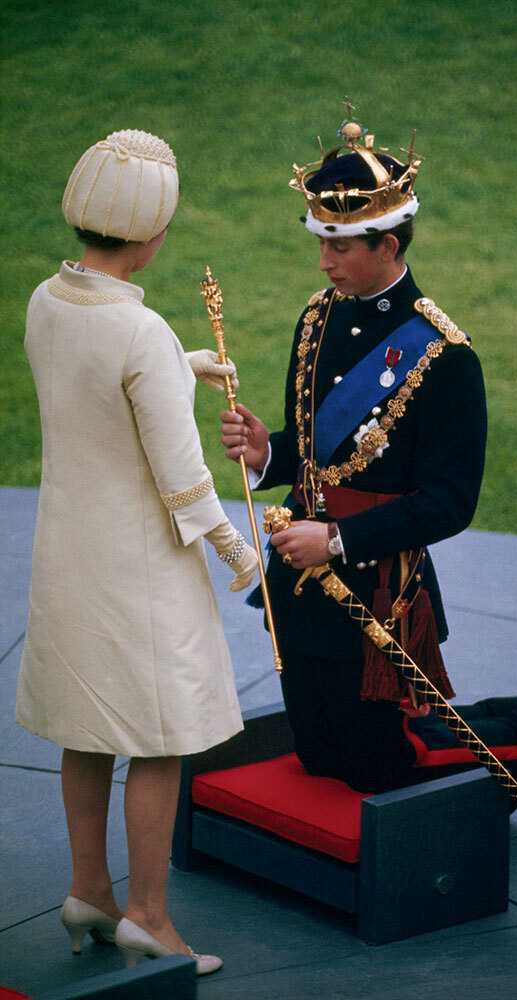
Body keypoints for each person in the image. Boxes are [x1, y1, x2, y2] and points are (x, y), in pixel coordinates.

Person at [221, 110, 517, 839]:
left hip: (380, 592)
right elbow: (319, 446)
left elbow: (449, 502)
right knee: (322, 758)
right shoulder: (318, 318)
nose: (324, 261)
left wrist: (338, 540)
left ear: (388, 244)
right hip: (298, 583)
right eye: (320, 241)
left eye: (340, 246)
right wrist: (271, 456)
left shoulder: (448, 357)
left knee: (381, 765)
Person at [14, 129, 257, 976]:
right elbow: (182, 474)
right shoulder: (143, 330)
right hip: (141, 568)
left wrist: (177, 365)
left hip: (68, 556)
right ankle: (149, 915)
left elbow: (93, 390)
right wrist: (237, 545)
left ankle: (89, 890)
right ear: (152, 232)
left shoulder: (47, 300)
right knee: (160, 736)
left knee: (88, 729)